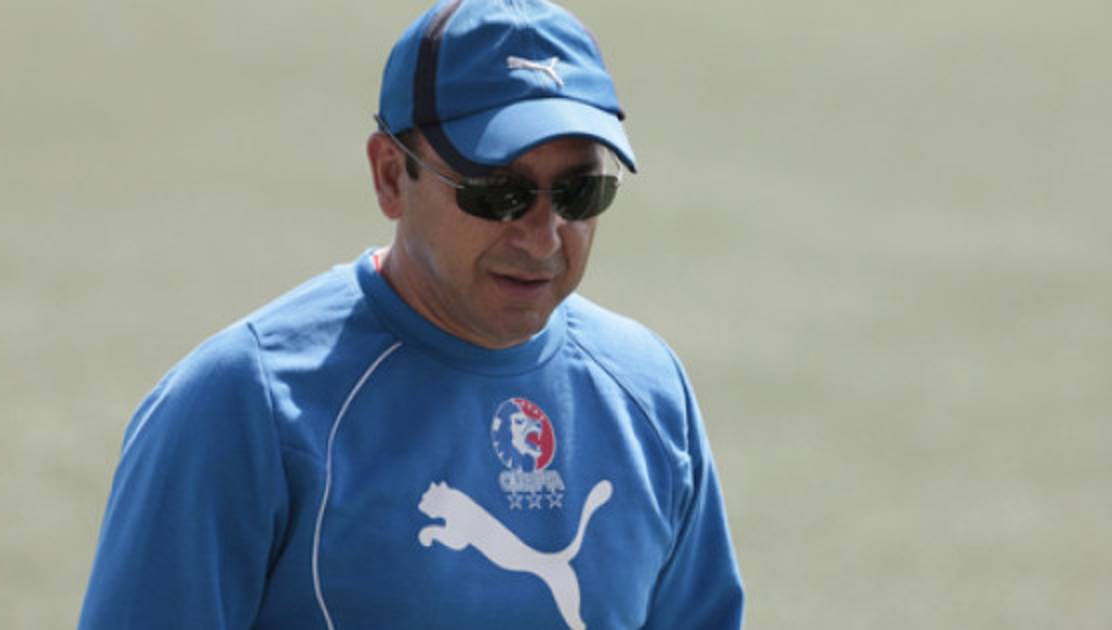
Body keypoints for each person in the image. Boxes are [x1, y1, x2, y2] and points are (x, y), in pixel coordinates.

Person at [78, 0, 744, 628]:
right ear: (391, 176)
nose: (544, 238)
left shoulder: (650, 394)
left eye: (580, 192)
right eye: (498, 193)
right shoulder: (243, 404)